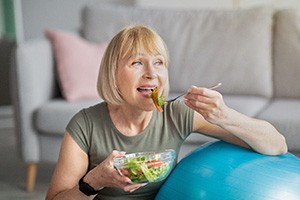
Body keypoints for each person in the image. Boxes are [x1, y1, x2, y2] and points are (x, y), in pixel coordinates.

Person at [45, 25, 287, 200]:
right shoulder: (85, 124)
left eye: (159, 62)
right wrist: (95, 181)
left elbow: (277, 144)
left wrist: (224, 115)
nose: (152, 73)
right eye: (137, 62)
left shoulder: (177, 113)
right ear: (113, 74)